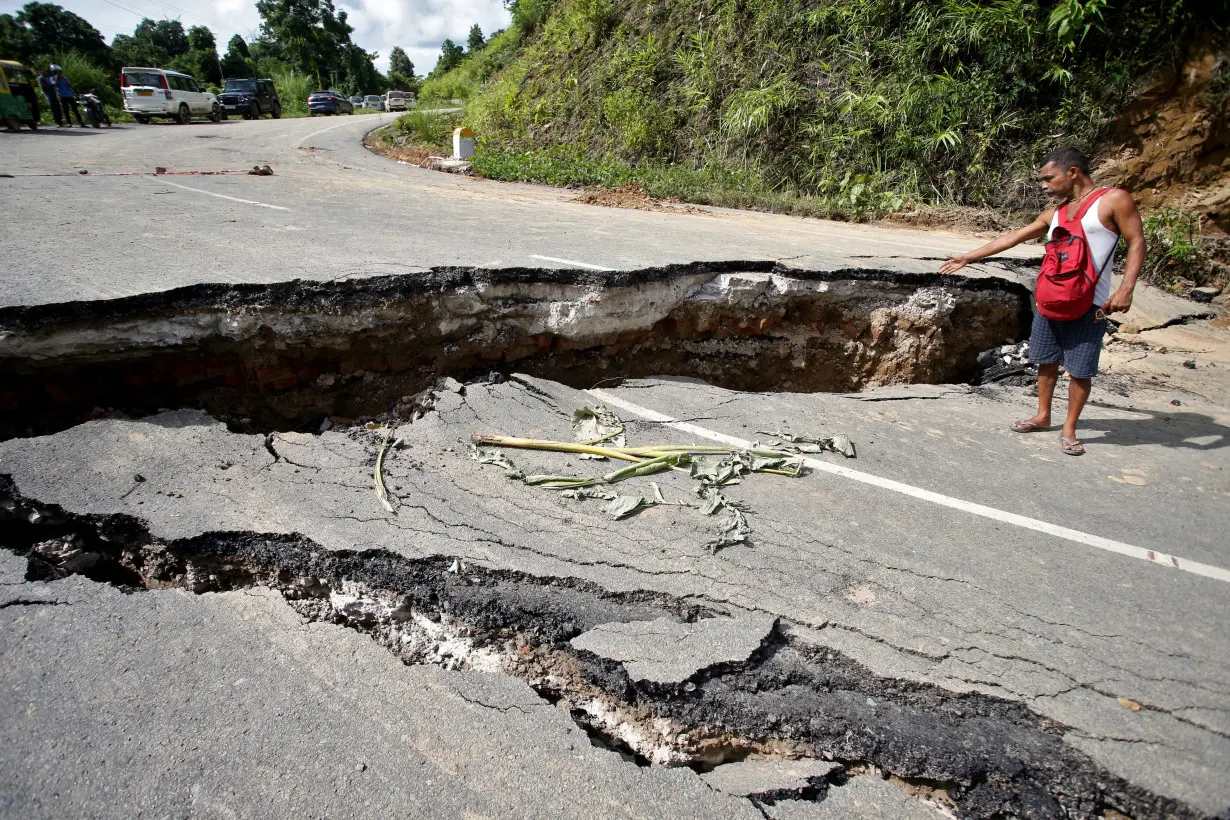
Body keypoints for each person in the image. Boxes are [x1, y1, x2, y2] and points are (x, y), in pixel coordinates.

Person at [939, 147, 1145, 456]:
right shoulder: (1056, 213)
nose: (1044, 185)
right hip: (1052, 297)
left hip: (1091, 302)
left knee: (1080, 369)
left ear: (1072, 172)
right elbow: (1014, 237)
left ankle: (1070, 427)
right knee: (1046, 359)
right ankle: (1043, 415)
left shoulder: (1112, 200)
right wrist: (967, 257)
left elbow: (1136, 240)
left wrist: (1126, 287)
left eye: (1049, 178)